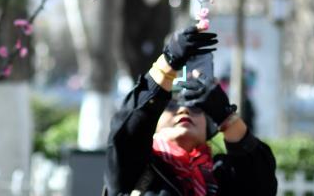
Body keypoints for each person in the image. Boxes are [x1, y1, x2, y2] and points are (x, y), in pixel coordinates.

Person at [105, 26, 277, 195]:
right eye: (171, 105)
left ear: (209, 128)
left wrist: (225, 115)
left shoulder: (222, 176)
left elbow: (261, 182)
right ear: (153, 123)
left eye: (195, 107)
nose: (183, 110)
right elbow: (128, 130)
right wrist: (168, 61)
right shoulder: (133, 167)